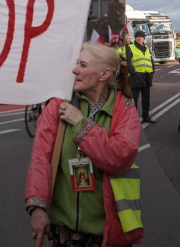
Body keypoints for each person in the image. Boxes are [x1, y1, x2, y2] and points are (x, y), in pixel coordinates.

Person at [26, 43, 143, 247]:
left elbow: (119, 157)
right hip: (64, 233)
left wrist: (80, 124)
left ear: (104, 74)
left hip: (107, 233)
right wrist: (37, 207)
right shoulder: (59, 105)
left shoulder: (125, 110)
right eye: (76, 63)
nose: (74, 70)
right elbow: (40, 157)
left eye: (83, 65)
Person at [127, 31, 155, 124]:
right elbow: (128, 62)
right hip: (136, 77)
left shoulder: (146, 48)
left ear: (144, 38)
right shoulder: (130, 47)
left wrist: (152, 71)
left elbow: (150, 60)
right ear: (135, 38)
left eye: (141, 37)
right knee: (133, 100)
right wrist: (133, 72)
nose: (140, 38)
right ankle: (132, 119)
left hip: (146, 77)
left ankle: (146, 116)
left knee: (146, 99)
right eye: (138, 37)